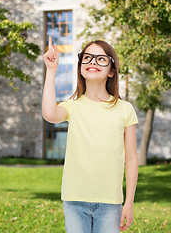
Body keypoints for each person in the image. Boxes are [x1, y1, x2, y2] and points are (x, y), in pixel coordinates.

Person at [42, 36, 138, 233]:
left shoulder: (125, 109)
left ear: (112, 71)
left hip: (111, 202)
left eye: (101, 59)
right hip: (75, 199)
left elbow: (131, 159)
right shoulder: (72, 106)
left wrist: (128, 203)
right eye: (87, 58)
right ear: (80, 67)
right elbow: (50, 114)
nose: (92, 62)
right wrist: (51, 71)